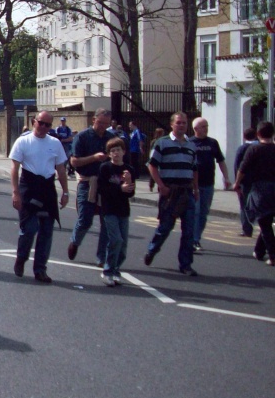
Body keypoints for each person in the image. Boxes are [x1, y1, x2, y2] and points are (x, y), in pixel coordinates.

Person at [9, 111, 70, 283]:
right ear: (33, 121)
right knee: (29, 229)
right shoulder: (23, 141)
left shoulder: (55, 143)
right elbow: (14, 168)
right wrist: (15, 192)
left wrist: (65, 192)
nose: (43, 127)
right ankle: (21, 258)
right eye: (41, 123)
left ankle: (40, 269)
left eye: (48, 125)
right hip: (28, 187)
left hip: (47, 188)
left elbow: (61, 169)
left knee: (46, 231)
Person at [144, 112, 199, 276]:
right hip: (170, 192)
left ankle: (185, 264)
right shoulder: (162, 143)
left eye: (184, 123)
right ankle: (152, 249)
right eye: (179, 123)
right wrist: (161, 185)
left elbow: (194, 169)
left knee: (189, 231)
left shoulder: (191, 145)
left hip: (187, 191)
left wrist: (196, 189)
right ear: (172, 125)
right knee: (165, 227)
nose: (182, 125)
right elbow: (152, 165)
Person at [67, 109, 115, 265]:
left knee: (106, 223)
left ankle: (102, 257)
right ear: (94, 120)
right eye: (100, 123)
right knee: (85, 219)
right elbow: (74, 162)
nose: (103, 126)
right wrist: (94, 158)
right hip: (88, 182)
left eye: (106, 124)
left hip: (106, 184)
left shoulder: (111, 138)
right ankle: (75, 241)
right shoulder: (82, 137)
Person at [88, 137, 135, 286]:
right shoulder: (105, 168)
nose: (116, 153)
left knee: (123, 245)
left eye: (118, 150)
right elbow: (103, 189)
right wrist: (119, 188)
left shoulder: (129, 169)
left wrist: (128, 182)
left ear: (124, 152)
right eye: (112, 151)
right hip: (108, 209)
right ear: (109, 154)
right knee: (116, 240)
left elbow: (130, 193)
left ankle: (115, 270)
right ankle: (107, 271)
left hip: (123, 210)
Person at [233, 121, 275, 265]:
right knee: (267, 221)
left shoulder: (254, 149)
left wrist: (237, 183)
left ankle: (273, 255)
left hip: (260, 189)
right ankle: (259, 251)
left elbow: (242, 168)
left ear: (258, 134)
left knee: (264, 222)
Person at [189, 117, 231, 252]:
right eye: (203, 126)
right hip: (194, 184)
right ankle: (193, 240)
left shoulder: (212, 143)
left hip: (208, 183)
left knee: (203, 213)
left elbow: (221, 160)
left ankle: (197, 238)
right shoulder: (189, 143)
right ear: (195, 129)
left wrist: (226, 177)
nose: (206, 128)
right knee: (195, 211)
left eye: (206, 126)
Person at [234, 128, 258, 237]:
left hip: (245, 181)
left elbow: (237, 166)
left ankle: (247, 229)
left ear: (244, 136)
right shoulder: (262, 147)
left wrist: (237, 182)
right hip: (260, 181)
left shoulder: (242, 148)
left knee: (244, 206)